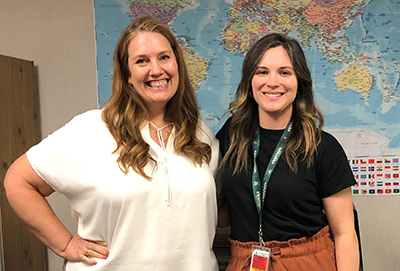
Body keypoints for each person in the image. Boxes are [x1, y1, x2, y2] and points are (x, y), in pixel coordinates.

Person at [4, 17, 220, 271]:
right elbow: (18, 181)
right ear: (127, 74)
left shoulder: (201, 136)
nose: (156, 69)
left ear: (177, 64)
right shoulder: (91, 129)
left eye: (164, 57)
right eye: (142, 61)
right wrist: (64, 245)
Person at [216, 33, 359, 271]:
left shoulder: (322, 147)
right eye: (262, 72)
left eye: (284, 72)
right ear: (249, 82)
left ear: (299, 82)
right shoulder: (230, 137)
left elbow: (345, 233)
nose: (273, 82)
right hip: (246, 261)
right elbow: (224, 208)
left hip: (307, 261)